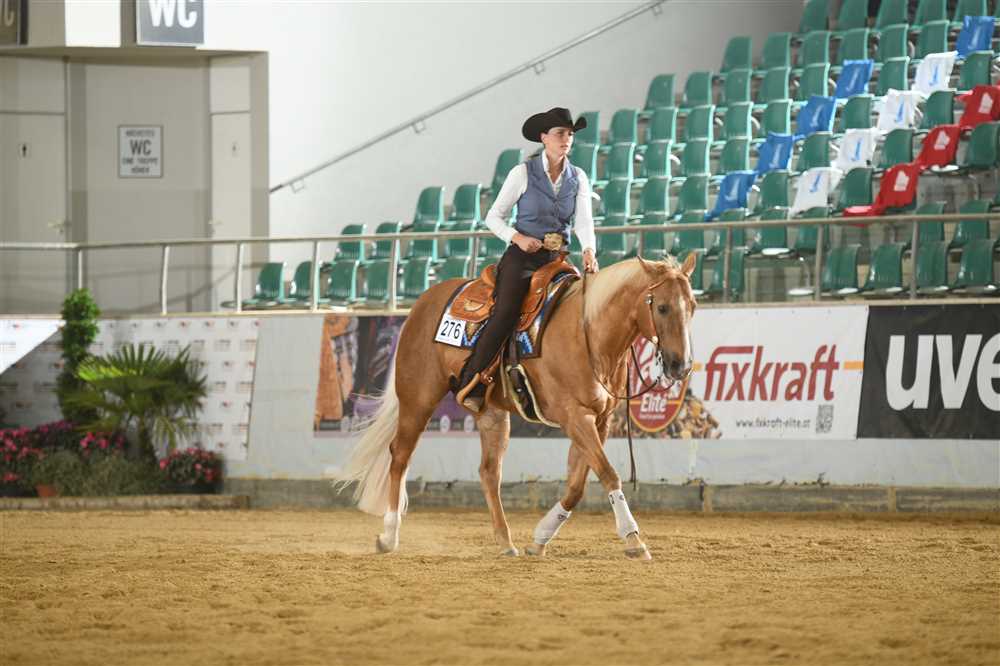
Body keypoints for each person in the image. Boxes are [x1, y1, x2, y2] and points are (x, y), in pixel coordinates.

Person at [453, 107, 598, 413]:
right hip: (523, 257)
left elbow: (584, 221)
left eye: (570, 134)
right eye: (560, 133)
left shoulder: (578, 177)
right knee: (506, 311)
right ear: (544, 137)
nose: (566, 139)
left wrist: (589, 250)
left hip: (558, 259)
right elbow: (493, 216)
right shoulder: (522, 173)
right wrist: (516, 237)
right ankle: (473, 379)